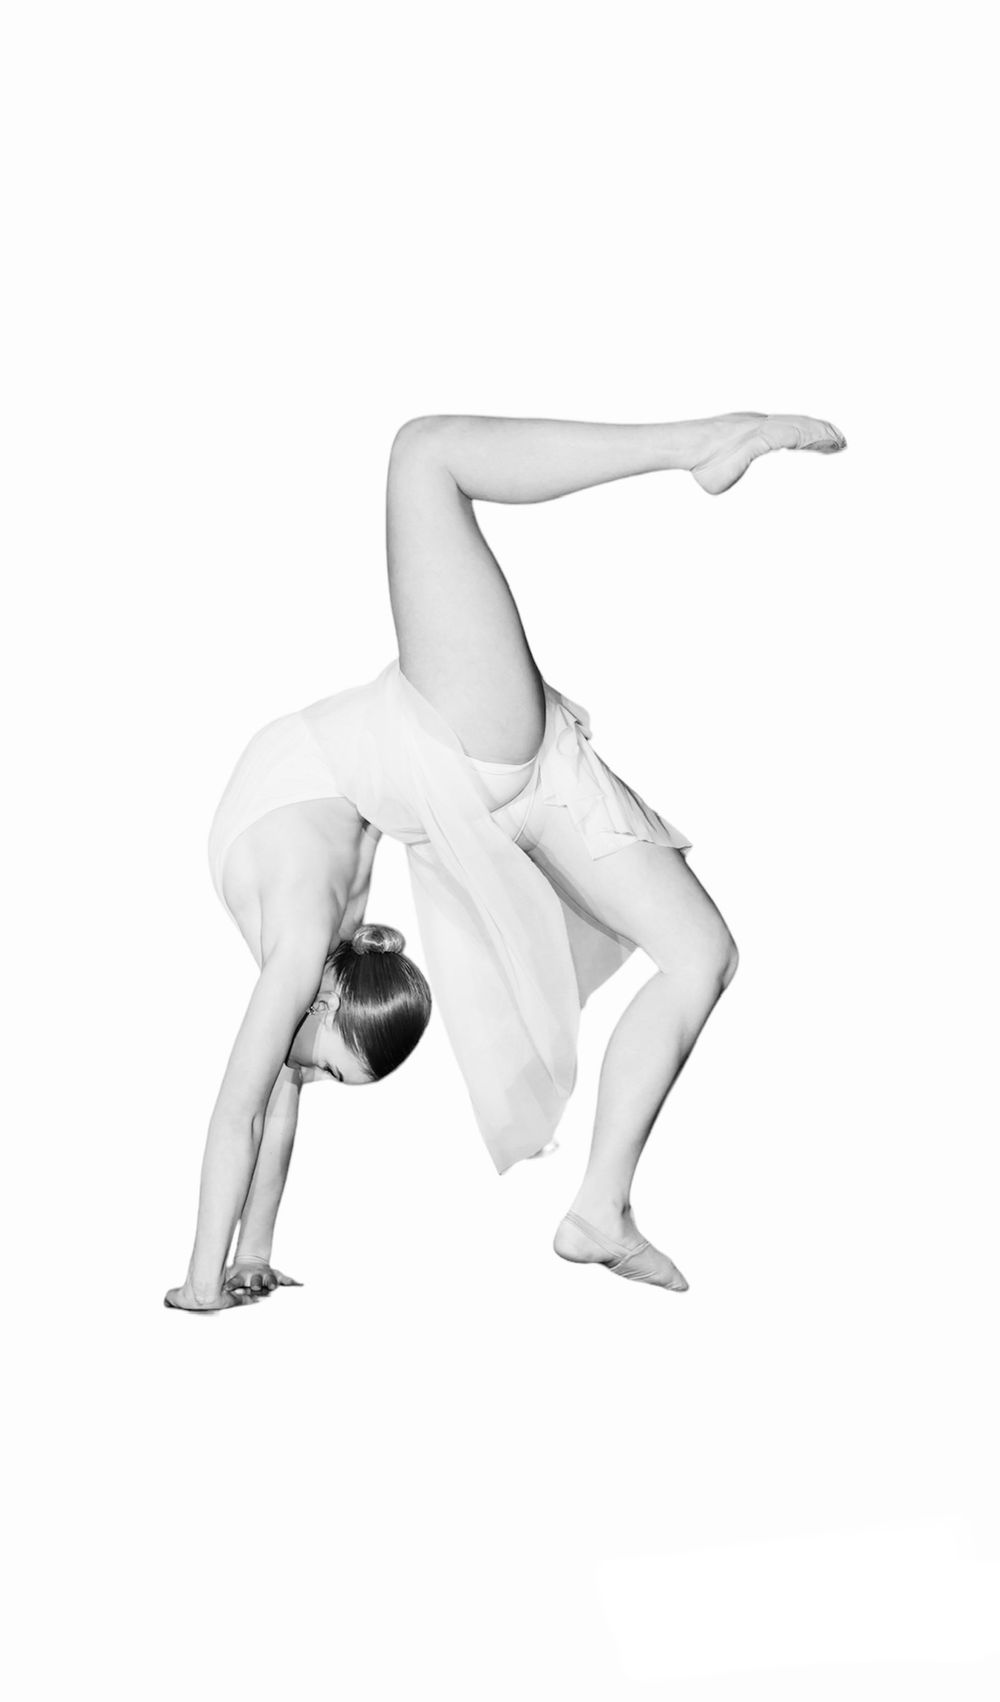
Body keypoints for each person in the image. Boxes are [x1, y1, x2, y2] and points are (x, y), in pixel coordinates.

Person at [165, 410, 846, 1311]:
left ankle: (600, 1208)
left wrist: (207, 1282)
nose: (311, 1079)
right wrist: (248, 1252)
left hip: (464, 748)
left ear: (327, 1001)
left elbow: (243, 1110)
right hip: (480, 762)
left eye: (327, 1068)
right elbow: (273, 1103)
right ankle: (600, 1212)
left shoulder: (299, 939)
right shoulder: (307, 937)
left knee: (702, 955)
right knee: (424, 456)